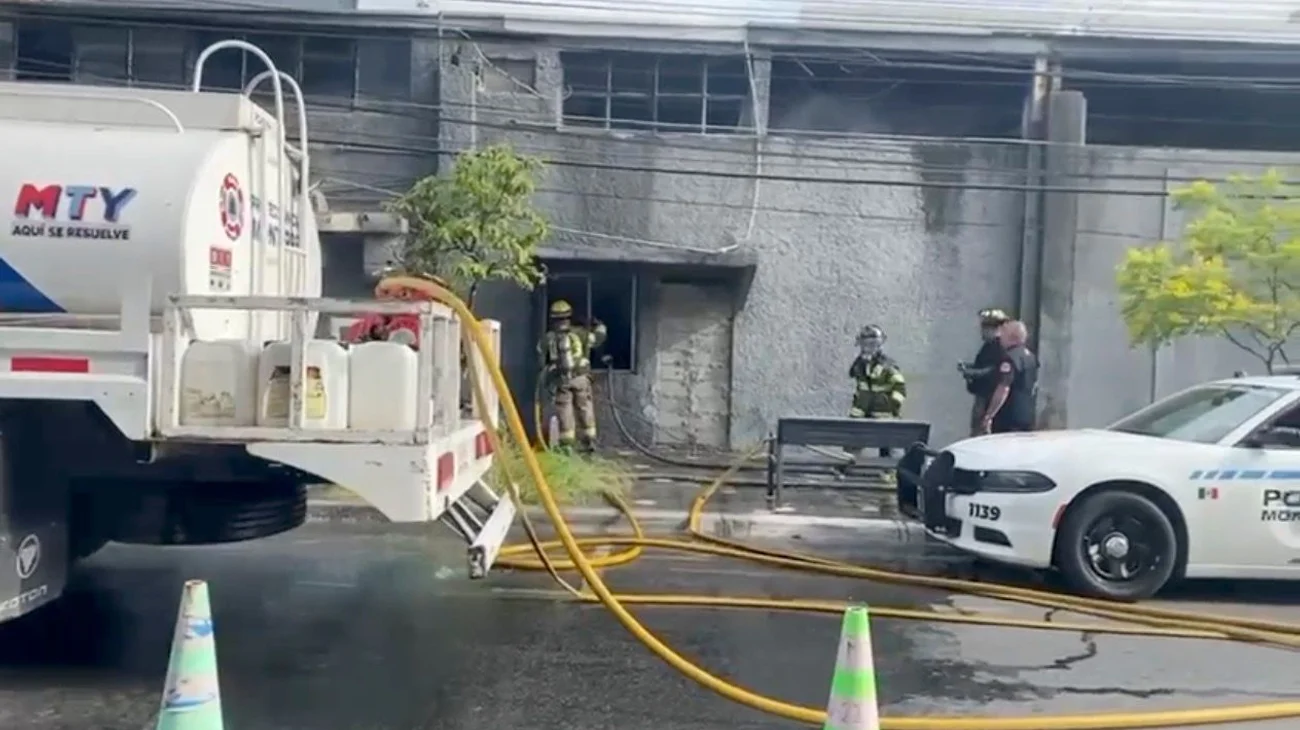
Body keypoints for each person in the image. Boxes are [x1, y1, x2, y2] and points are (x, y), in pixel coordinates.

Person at [542, 299, 607, 453]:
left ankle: (567, 445)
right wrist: (598, 324)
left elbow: (540, 354)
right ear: (569, 317)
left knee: (564, 410)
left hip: (562, 380)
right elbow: (599, 337)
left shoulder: (549, 337)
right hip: (581, 378)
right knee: (584, 407)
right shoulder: (582, 333)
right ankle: (589, 442)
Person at [846, 325, 907, 479]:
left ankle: (888, 471)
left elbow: (900, 388)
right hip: (861, 412)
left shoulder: (888, 365)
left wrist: (891, 405)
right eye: (865, 344)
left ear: (879, 344)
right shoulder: (860, 364)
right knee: (853, 440)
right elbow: (857, 379)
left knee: (886, 443)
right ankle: (846, 467)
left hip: (883, 414)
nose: (868, 348)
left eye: (872, 344)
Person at [978, 319, 1039, 435]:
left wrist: (989, 415)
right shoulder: (1030, 357)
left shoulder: (1009, 358)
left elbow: (1004, 388)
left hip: (1008, 419)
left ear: (1012, 337)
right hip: (1027, 417)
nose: (1000, 337)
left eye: (1004, 333)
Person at [958, 308, 1010, 437]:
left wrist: (972, 373)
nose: (982, 331)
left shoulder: (998, 347)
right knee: (975, 429)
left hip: (988, 398)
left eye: (985, 327)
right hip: (981, 396)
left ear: (994, 329)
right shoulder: (987, 346)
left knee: (981, 433)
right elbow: (982, 365)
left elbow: (991, 370)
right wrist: (968, 367)